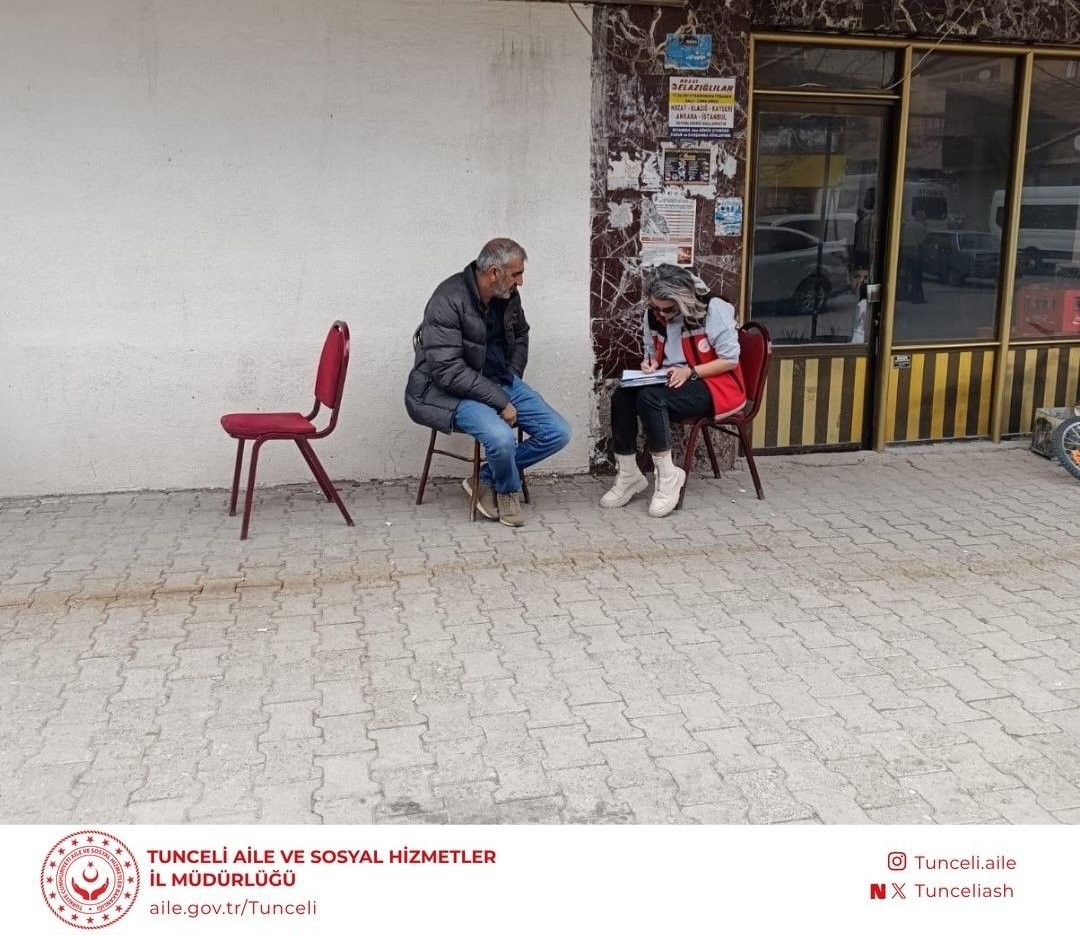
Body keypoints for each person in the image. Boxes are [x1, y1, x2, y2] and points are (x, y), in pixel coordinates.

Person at [405, 238, 571, 527]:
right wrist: (501, 401)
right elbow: (448, 371)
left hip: (497, 379)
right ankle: (507, 491)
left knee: (558, 432)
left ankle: (484, 478)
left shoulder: (508, 296)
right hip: (448, 391)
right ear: (495, 272)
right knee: (501, 438)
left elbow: (521, 334)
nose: (521, 281)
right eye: (516, 274)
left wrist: (512, 374)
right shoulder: (447, 299)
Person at [601, 264, 746, 518]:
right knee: (622, 396)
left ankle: (668, 477)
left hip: (715, 384)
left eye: (668, 309)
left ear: (684, 300)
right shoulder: (653, 313)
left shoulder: (714, 309)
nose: (662, 314)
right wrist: (650, 363)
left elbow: (730, 360)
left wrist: (690, 371)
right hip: (672, 379)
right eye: (656, 307)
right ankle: (629, 474)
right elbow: (652, 351)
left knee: (651, 398)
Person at [899, 209, 929, 302]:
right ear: (922, 218)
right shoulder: (922, 227)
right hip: (915, 253)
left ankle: (903, 294)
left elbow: (901, 238)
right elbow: (921, 241)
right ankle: (916, 296)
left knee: (904, 275)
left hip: (904, 251)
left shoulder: (906, 225)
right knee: (916, 276)